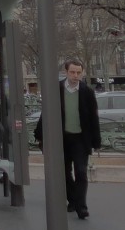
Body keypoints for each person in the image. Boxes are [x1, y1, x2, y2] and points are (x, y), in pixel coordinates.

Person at [34, 57, 101, 219]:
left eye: (78, 72)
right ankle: (73, 200)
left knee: (81, 172)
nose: (75, 75)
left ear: (82, 73)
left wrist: (96, 141)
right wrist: (40, 135)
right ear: (66, 72)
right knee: (63, 173)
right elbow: (47, 114)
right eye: (72, 72)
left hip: (80, 139)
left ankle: (81, 207)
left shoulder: (87, 92)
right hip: (61, 139)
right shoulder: (56, 89)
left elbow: (93, 117)